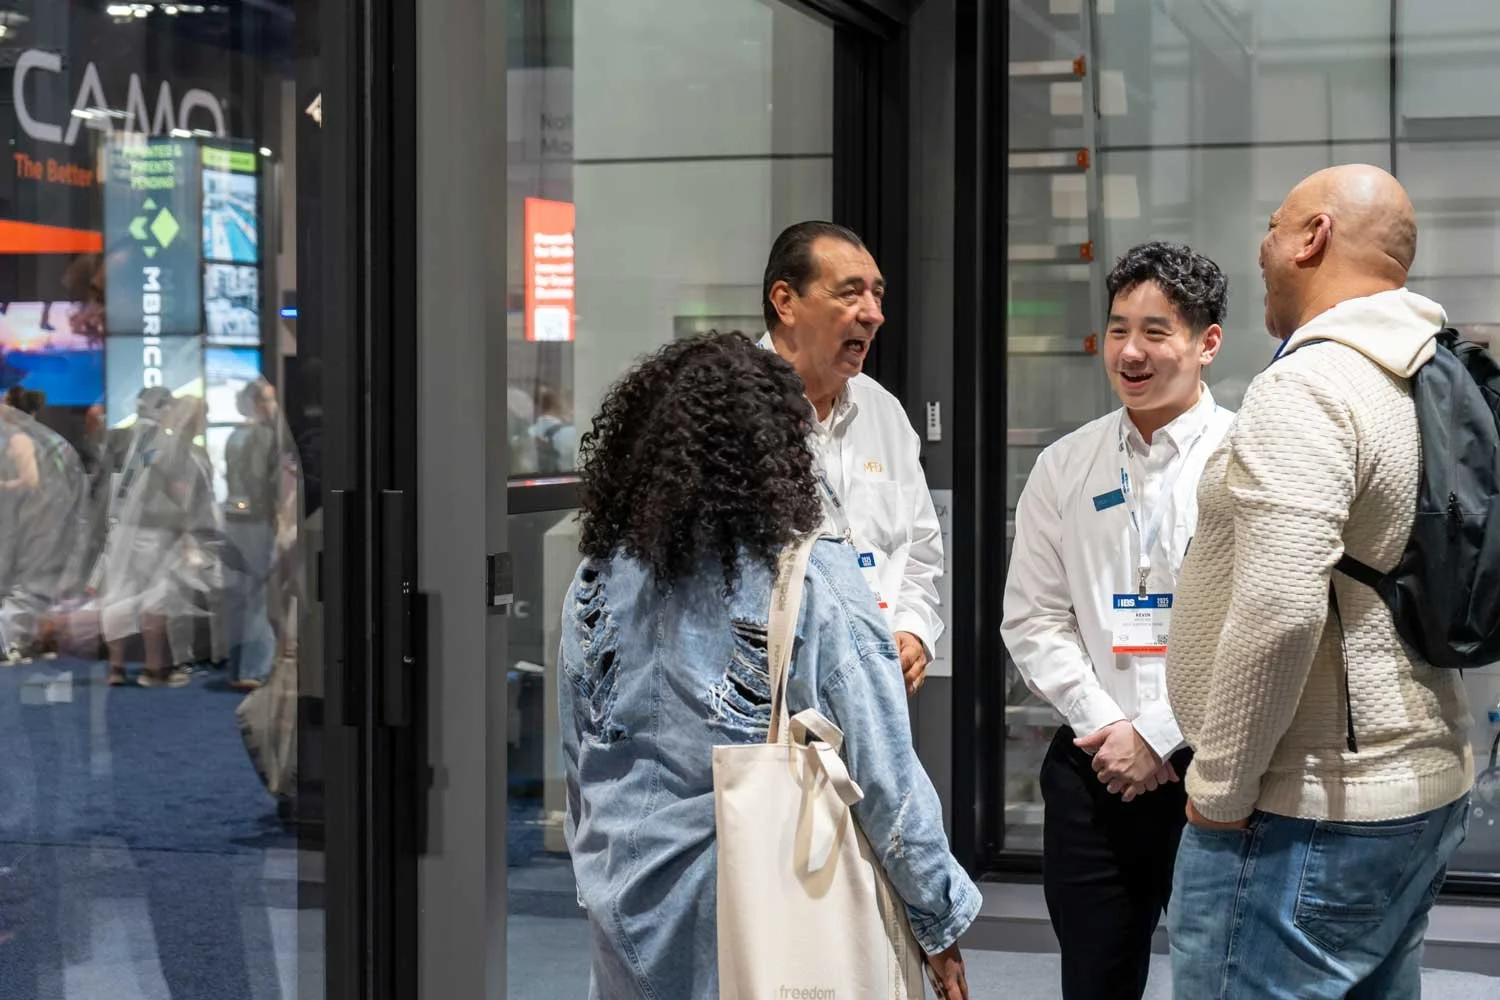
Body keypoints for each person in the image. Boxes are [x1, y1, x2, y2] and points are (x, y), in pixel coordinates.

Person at [560, 331, 978, 999]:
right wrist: (938, 918)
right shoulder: (808, 575)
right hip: (757, 914)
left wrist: (596, 874)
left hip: (624, 908)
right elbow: (886, 775)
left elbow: (580, 755)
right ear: (775, 449)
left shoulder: (598, 577)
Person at [1166, 164, 1473, 999]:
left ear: (1314, 237)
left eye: (1274, 226)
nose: (1262, 249)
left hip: (1308, 809)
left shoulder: (1309, 384)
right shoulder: (1425, 373)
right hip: (1420, 779)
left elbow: (1279, 610)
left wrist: (1220, 790)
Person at [1000, 241, 1232, 999]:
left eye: (1156, 331)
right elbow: (1033, 616)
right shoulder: (1066, 464)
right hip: (1094, 766)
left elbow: (1255, 627)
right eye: (1118, 329)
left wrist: (1160, 734)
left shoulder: (1244, 455)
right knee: (1095, 980)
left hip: (1218, 767)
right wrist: (1108, 726)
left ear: (1207, 343)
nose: (1130, 352)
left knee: (1224, 979)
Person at [761, 220, 943, 695]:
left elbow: (920, 550)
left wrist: (912, 630)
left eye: (877, 295)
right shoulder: (722, 413)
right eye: (850, 293)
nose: (874, 314)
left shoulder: (885, 413)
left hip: (873, 694)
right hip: (764, 702)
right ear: (786, 302)